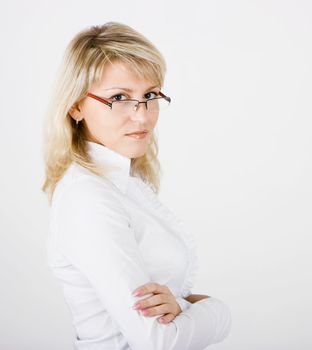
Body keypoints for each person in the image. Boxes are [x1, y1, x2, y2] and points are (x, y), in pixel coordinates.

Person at [41, 21, 232, 350]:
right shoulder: (88, 197)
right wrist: (217, 311)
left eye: (150, 95)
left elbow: (167, 311)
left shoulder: (124, 180)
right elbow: (157, 339)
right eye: (119, 97)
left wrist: (181, 305)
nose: (142, 117)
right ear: (74, 106)